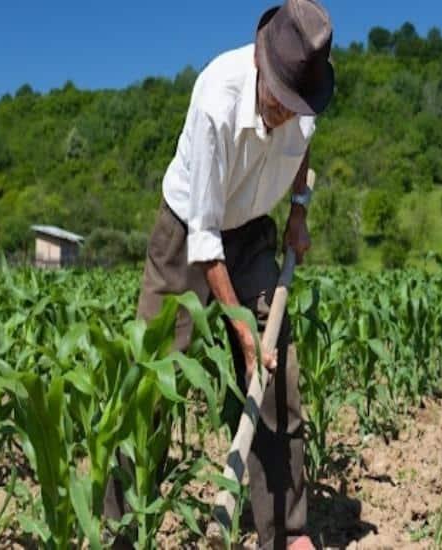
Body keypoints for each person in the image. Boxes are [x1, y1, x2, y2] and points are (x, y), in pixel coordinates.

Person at [103, 2, 334, 549]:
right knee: (152, 380)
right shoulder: (215, 99)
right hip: (188, 232)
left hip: (252, 226)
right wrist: (241, 332)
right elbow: (205, 237)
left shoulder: (304, 103)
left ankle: (286, 530)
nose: (285, 112)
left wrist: (297, 212)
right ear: (260, 63)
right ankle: (115, 530)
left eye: (295, 103)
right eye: (278, 97)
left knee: (276, 371)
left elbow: (302, 155)